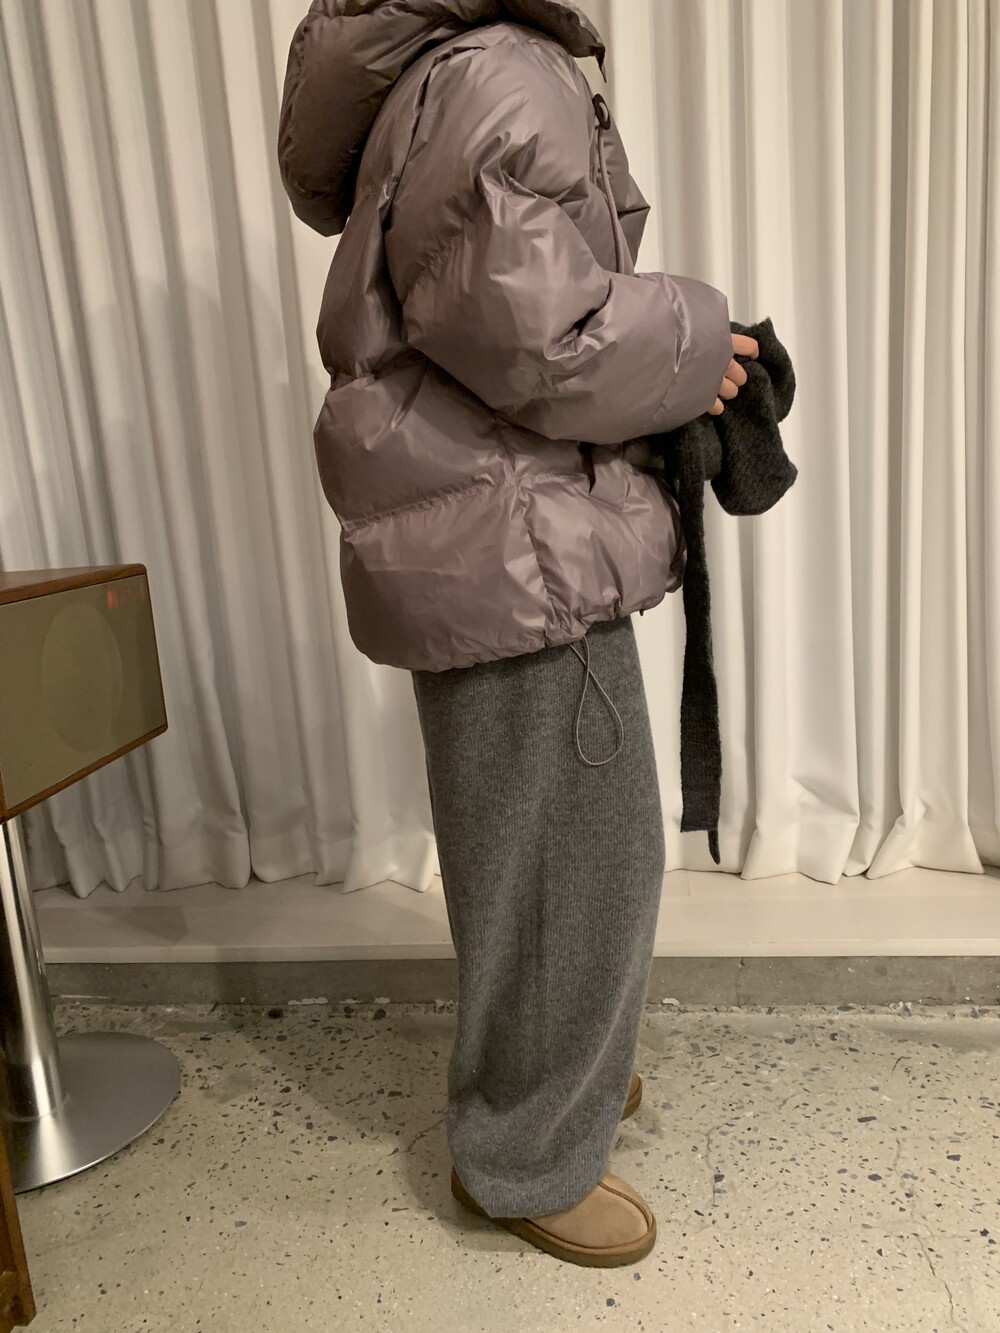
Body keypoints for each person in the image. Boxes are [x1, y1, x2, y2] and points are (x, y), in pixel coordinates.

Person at [278, 0, 758, 1268]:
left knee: (554, 856)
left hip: (506, 527)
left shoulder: (460, 68)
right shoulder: (496, 71)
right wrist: (698, 339)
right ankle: (525, 1154)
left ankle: (558, 1076)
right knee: (568, 868)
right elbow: (536, 334)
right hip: (514, 538)